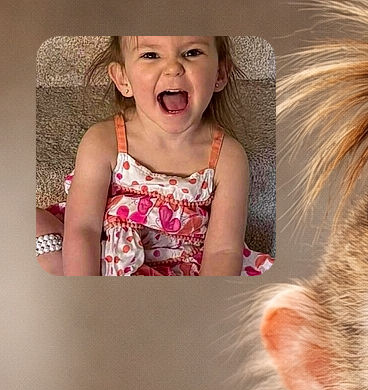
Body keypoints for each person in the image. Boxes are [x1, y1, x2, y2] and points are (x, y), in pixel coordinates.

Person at [35, 35, 273, 276]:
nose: (173, 68)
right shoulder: (102, 141)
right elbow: (84, 229)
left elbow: (223, 251)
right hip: (103, 255)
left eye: (191, 53)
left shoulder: (228, 157)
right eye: (150, 55)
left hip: (184, 270)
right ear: (123, 78)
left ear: (220, 74)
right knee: (33, 222)